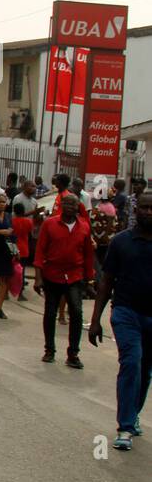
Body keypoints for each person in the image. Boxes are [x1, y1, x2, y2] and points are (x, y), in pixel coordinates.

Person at [89, 191, 152, 450]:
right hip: (126, 313)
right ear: (136, 211)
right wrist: (95, 319)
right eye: (145, 208)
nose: (148, 212)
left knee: (145, 370)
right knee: (131, 363)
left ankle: (133, 415)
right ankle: (125, 427)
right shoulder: (121, 242)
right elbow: (106, 282)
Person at [34, 193, 93, 368]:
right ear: (61, 205)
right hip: (52, 275)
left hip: (74, 276)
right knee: (50, 312)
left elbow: (88, 255)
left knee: (76, 311)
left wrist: (90, 281)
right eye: (66, 203)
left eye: (73, 204)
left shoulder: (84, 227)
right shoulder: (50, 224)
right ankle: (49, 350)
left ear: (78, 207)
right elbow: (40, 251)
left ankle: (73, 353)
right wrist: (38, 277)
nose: (69, 206)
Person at [11, 202, 34, 299]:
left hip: (13, 248)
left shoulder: (11, 221)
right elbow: (30, 233)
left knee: (10, 270)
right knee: (22, 271)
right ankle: (20, 293)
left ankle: (7, 292)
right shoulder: (28, 222)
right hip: (24, 248)